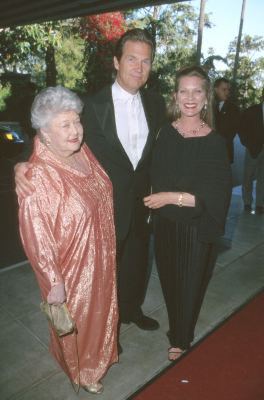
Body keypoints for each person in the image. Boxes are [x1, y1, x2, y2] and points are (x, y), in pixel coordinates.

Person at [15, 29, 166, 338]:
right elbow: (50, 131)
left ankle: (132, 309)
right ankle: (108, 332)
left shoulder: (155, 103)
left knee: (137, 261)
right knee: (104, 274)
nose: (139, 67)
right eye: (132, 59)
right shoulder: (92, 103)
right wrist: (21, 163)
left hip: (141, 203)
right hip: (103, 207)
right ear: (116, 61)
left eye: (146, 61)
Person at [18, 86, 118, 394]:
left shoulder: (81, 150)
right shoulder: (37, 176)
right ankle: (84, 371)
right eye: (65, 124)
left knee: (102, 311)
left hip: (102, 253)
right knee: (80, 322)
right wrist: (53, 281)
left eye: (77, 121)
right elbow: (35, 235)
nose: (76, 131)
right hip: (73, 267)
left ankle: (101, 355)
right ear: (44, 133)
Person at [144, 66, 232, 361]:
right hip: (166, 223)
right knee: (170, 283)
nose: (190, 97)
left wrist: (171, 196)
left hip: (196, 228)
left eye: (197, 91)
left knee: (190, 286)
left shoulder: (215, 142)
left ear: (206, 98)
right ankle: (176, 329)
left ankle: (181, 338)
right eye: (184, 91)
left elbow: (216, 196)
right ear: (175, 96)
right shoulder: (165, 133)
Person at [239, 91, 264, 214]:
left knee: (263, 179)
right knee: (248, 177)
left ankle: (260, 204)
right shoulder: (252, 111)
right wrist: (247, 144)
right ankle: (247, 202)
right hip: (253, 149)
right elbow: (241, 128)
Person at [214, 77, 240, 163]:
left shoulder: (233, 108)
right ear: (216, 89)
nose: (227, 92)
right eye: (224, 89)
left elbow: (233, 131)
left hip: (225, 152)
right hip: (209, 151)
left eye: (228, 90)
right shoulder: (209, 107)